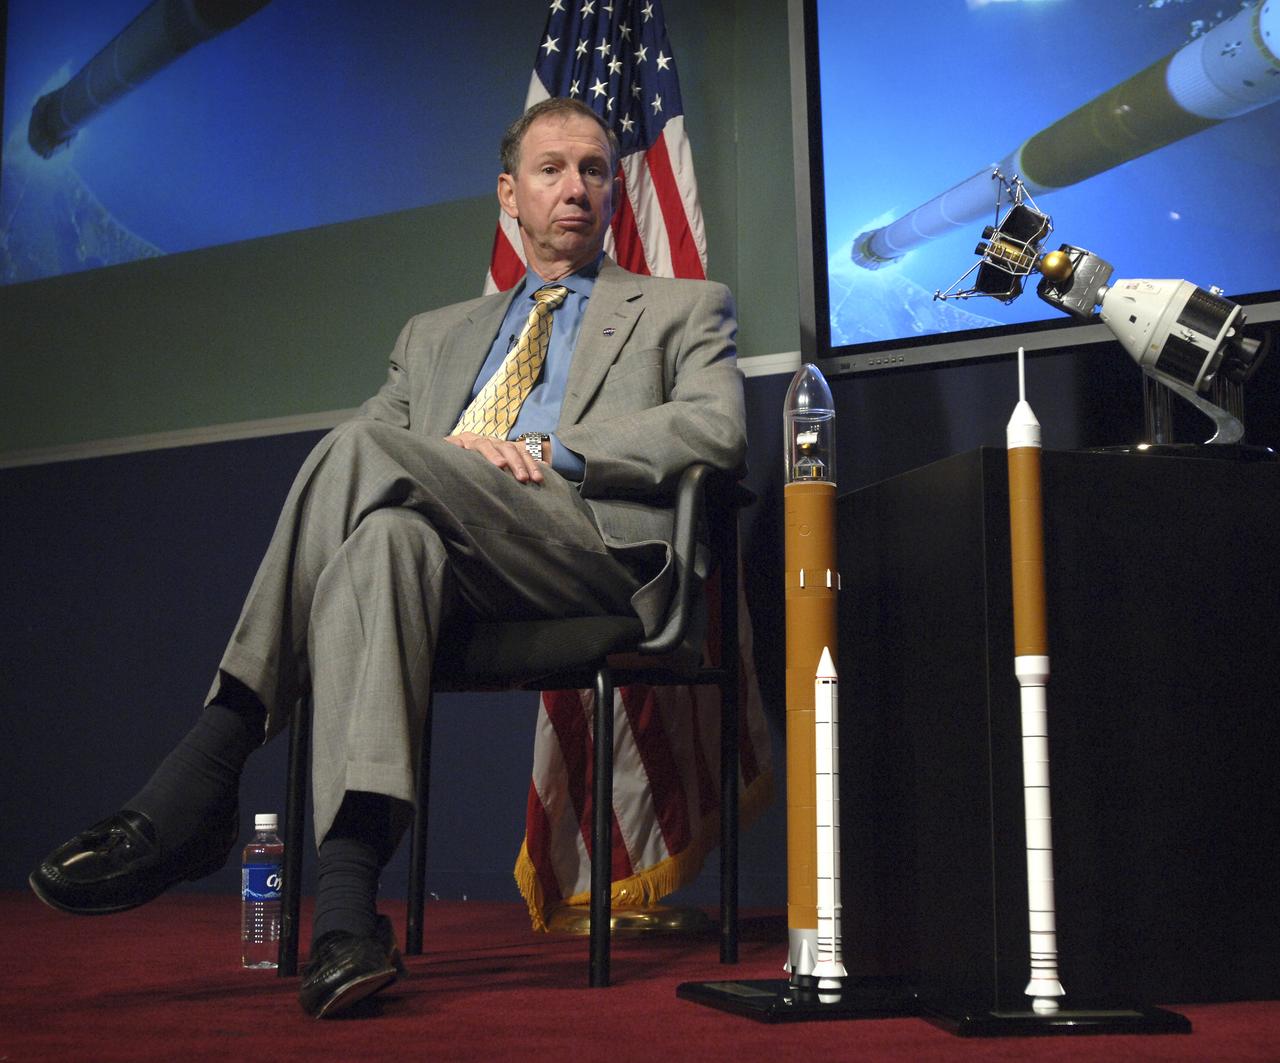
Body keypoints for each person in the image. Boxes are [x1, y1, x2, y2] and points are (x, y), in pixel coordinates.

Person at [28, 97, 747, 1018]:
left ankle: (209, 762)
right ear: (509, 194)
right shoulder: (433, 334)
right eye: (551, 169)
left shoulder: (683, 306)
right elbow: (366, 460)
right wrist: (451, 465)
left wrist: (553, 448)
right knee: (382, 543)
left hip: (587, 546)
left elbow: (717, 427)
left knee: (368, 458)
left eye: (594, 169)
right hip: (454, 560)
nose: (576, 187)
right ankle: (345, 918)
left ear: (612, 190)